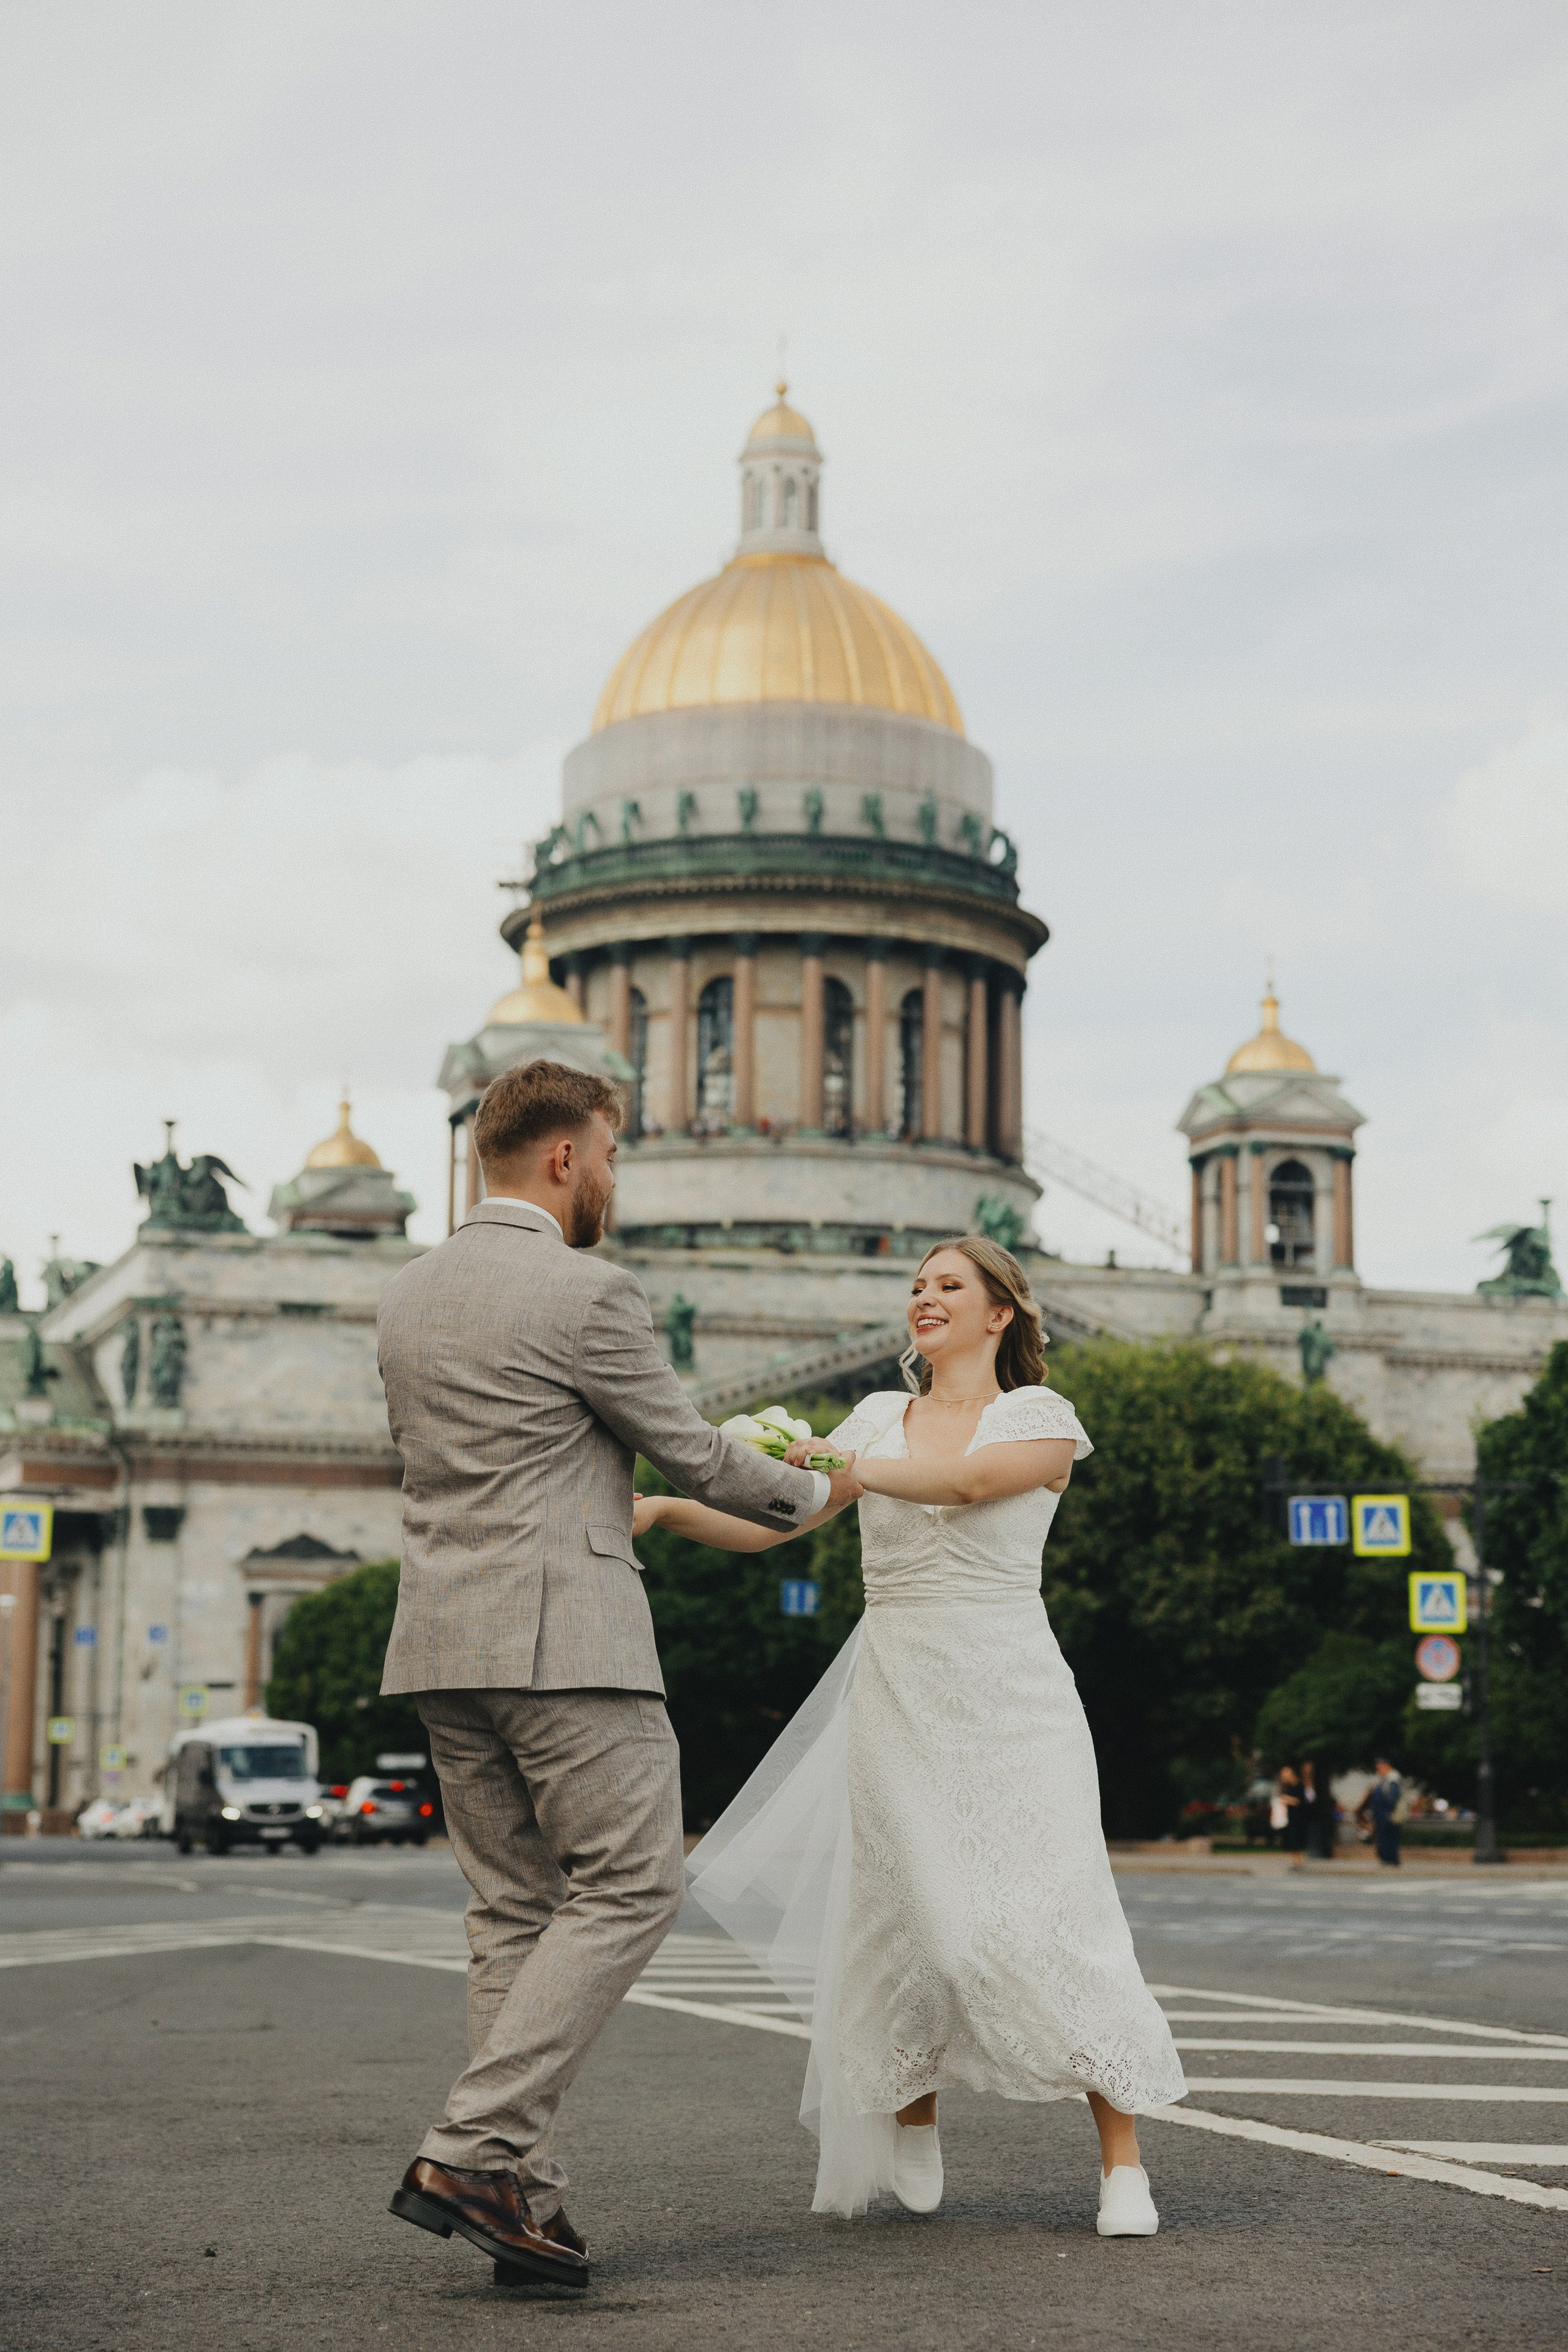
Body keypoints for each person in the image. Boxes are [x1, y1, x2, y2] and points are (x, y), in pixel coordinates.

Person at [375, 1060, 861, 2289]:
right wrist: (811, 1492)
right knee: (634, 1884)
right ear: (560, 1158)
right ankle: (469, 2150)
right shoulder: (586, 1291)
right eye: (607, 1153)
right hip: (567, 1639)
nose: (612, 1177)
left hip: (443, 1638)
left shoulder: (408, 1295)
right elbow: (691, 1452)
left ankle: (519, 2206)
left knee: (512, 1918)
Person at [636, 1236, 1186, 2236]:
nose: (925, 1299)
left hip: (1014, 1698)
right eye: (918, 1287)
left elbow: (972, 1486)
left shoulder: (1039, 1419)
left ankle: (1123, 2166)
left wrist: (843, 1464)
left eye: (950, 1286)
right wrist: (668, 1508)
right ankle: (915, 2109)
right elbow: (781, 1525)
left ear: (1000, 1314)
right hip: (898, 1692)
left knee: (1054, 1919)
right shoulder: (880, 1421)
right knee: (914, 1917)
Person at [1362, 1757, 1403, 1868]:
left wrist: (1388, 1812)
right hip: (1382, 1814)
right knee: (1384, 1836)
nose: (1378, 1771)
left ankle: (1390, 1859)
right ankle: (1387, 1858)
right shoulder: (1387, 1780)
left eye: (1379, 1768)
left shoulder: (1393, 1779)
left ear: (1386, 1767)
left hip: (1386, 1814)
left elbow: (1392, 1798)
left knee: (1388, 1837)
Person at [1275, 1765, 1306, 1870]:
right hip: (1290, 1817)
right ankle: (1295, 1862)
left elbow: (1299, 1801)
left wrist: (1286, 1799)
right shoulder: (1287, 1787)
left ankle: (1298, 1862)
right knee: (1292, 1840)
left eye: (1285, 1773)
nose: (1283, 1776)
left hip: (1298, 1818)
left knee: (1296, 1840)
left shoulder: (1299, 1785)